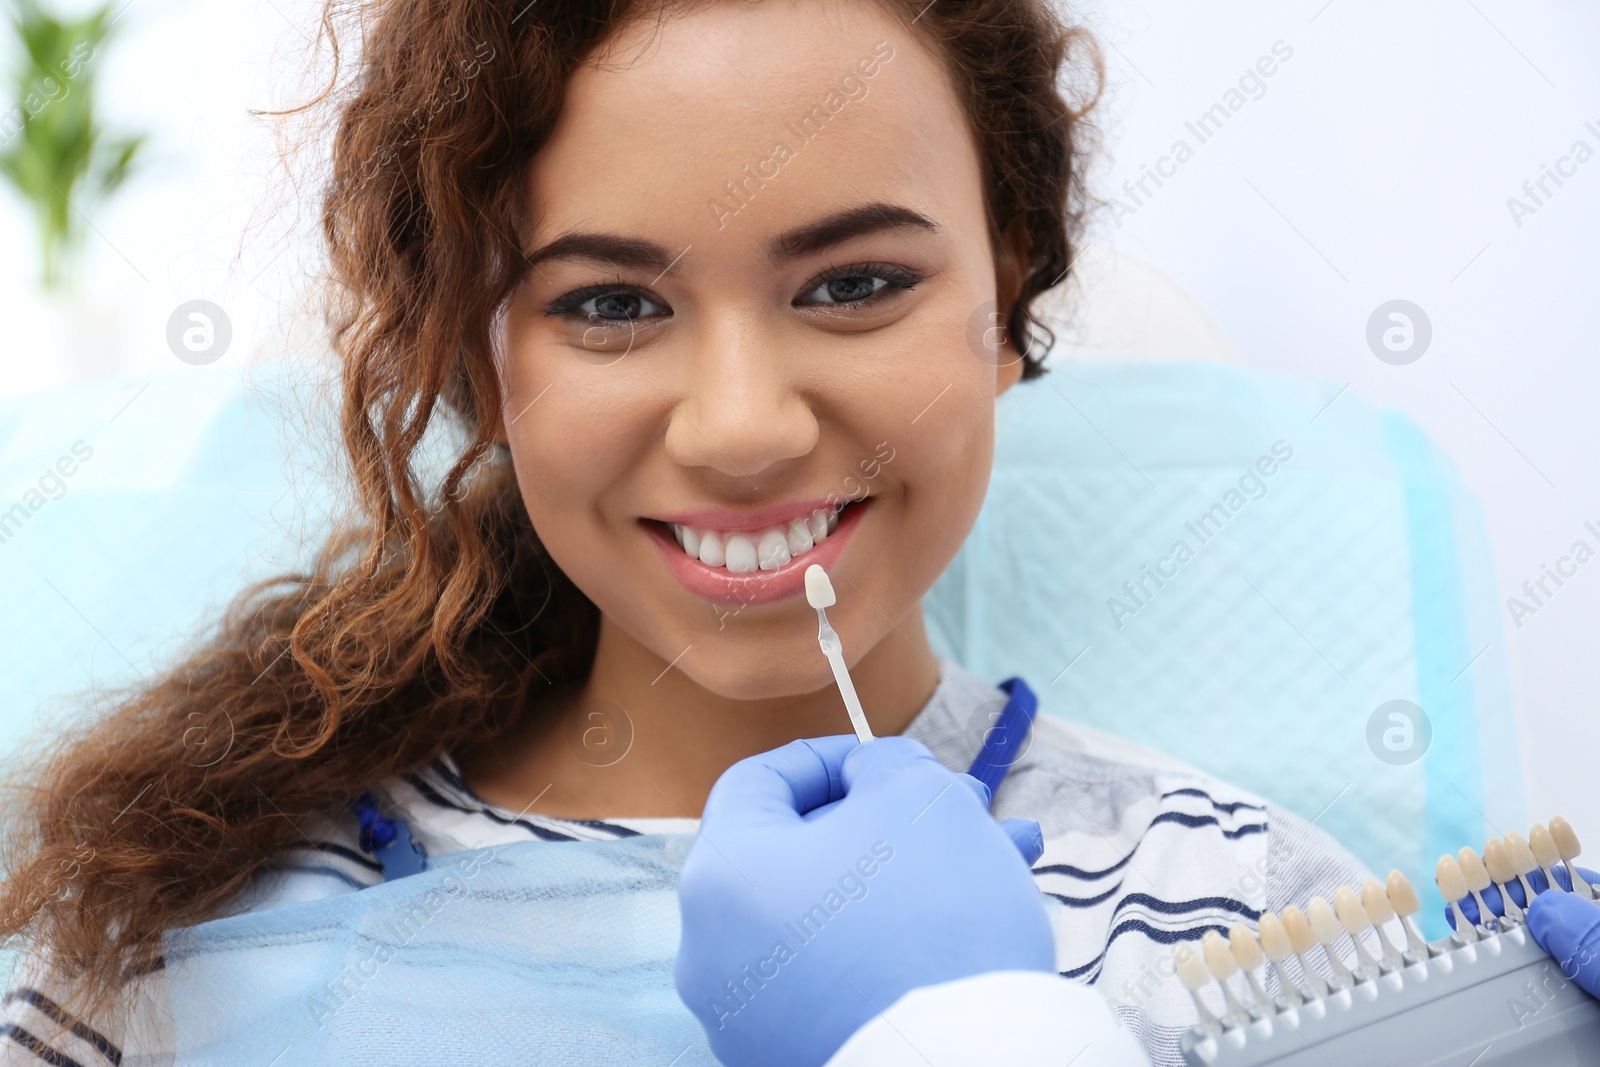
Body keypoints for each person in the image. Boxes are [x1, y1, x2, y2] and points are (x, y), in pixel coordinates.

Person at [0, 2, 1370, 1065]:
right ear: (482, 362)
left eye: (853, 284)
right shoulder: (184, 935)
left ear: (1004, 305)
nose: (739, 428)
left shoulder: (1245, 911)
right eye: (607, 305)